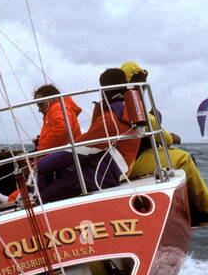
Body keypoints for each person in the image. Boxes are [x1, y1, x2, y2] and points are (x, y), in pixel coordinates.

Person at [120, 61, 208, 226]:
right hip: (129, 164)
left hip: (127, 159)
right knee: (183, 158)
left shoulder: (110, 103)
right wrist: (172, 138)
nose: (143, 88)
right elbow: (156, 129)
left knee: (176, 156)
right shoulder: (131, 104)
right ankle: (203, 212)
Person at [36, 69, 137, 203]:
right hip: (110, 165)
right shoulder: (127, 111)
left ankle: (37, 203)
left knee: (52, 191)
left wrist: (42, 164)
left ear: (104, 88)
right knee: (63, 174)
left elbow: (85, 146)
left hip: (107, 171)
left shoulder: (111, 118)